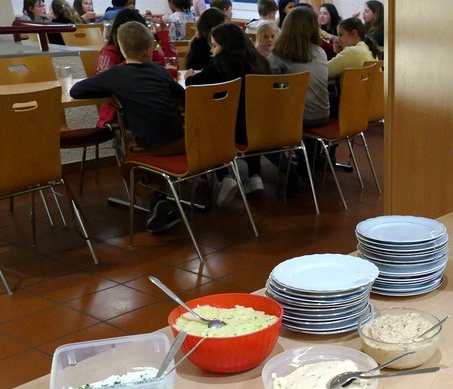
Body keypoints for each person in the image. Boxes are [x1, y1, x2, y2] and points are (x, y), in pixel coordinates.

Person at [71, 21, 187, 232]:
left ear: (122, 50)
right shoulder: (159, 71)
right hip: (183, 140)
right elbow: (184, 97)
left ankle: (155, 201)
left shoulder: (115, 75)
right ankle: (162, 198)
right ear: (149, 48)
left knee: (129, 165)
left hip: (154, 146)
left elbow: (76, 91)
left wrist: (111, 90)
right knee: (143, 148)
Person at [186, 23, 271, 204]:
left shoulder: (221, 65)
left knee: (207, 125)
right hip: (261, 128)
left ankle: (224, 177)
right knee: (246, 117)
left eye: (214, 45)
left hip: (231, 132)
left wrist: (188, 76)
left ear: (226, 46)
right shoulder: (261, 62)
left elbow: (193, 84)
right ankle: (254, 175)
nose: (212, 50)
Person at [268, 7, 328, 126]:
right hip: (323, 114)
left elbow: (269, 88)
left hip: (297, 118)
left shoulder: (280, 55)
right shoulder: (320, 52)